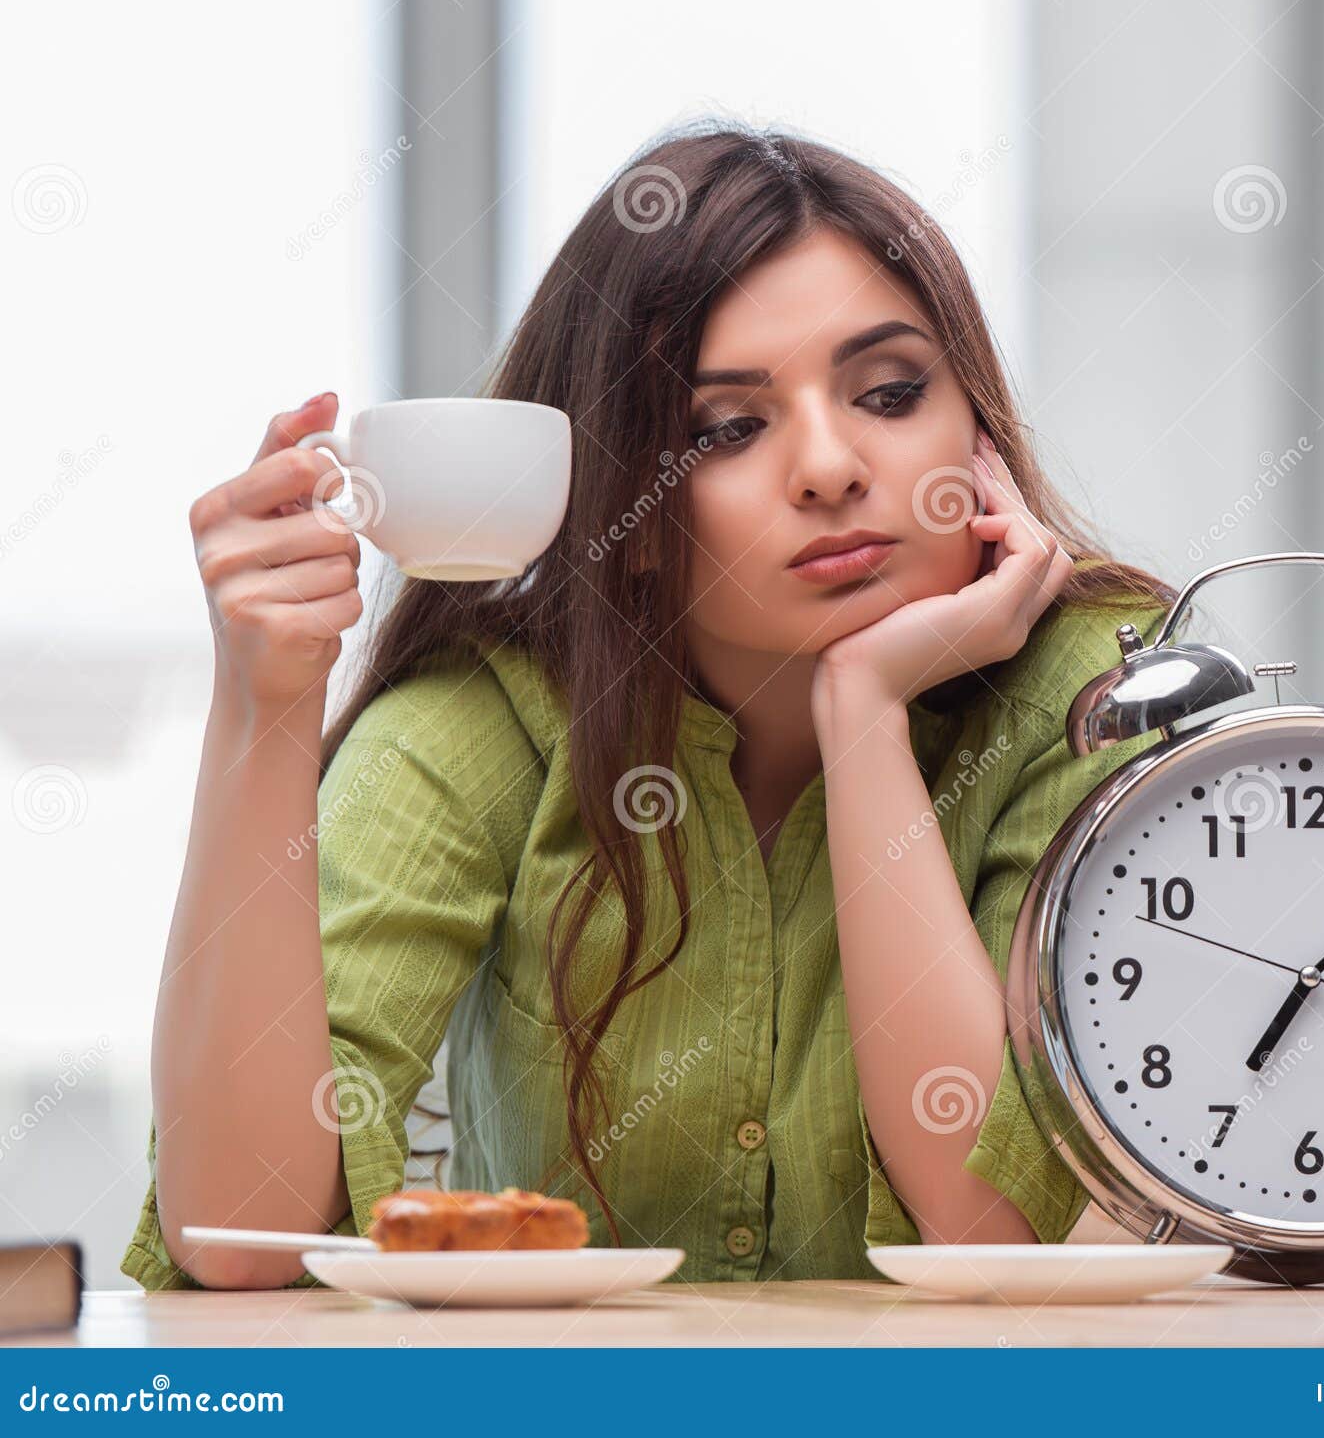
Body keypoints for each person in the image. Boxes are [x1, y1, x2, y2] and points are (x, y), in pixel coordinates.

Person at [122, 122, 1173, 1290]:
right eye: (722, 428)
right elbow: (237, 1227)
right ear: (613, 506)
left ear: (973, 428)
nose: (829, 467)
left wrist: (866, 712)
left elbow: (990, 1230)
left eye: (888, 390)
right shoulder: (492, 720)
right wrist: (261, 708)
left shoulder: (1093, 697)